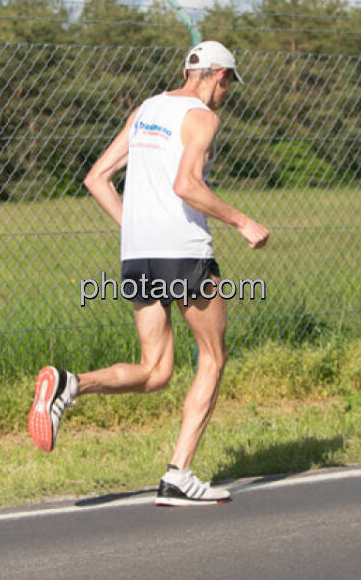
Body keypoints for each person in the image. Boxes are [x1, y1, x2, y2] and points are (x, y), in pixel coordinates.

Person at [28, 40, 270, 506]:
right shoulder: (203, 117)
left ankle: (69, 383)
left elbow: (96, 179)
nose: (227, 94)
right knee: (213, 357)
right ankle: (179, 473)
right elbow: (187, 186)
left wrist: (137, 229)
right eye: (228, 85)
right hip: (183, 253)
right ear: (219, 76)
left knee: (155, 371)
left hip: (137, 256)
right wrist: (242, 221)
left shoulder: (146, 110)